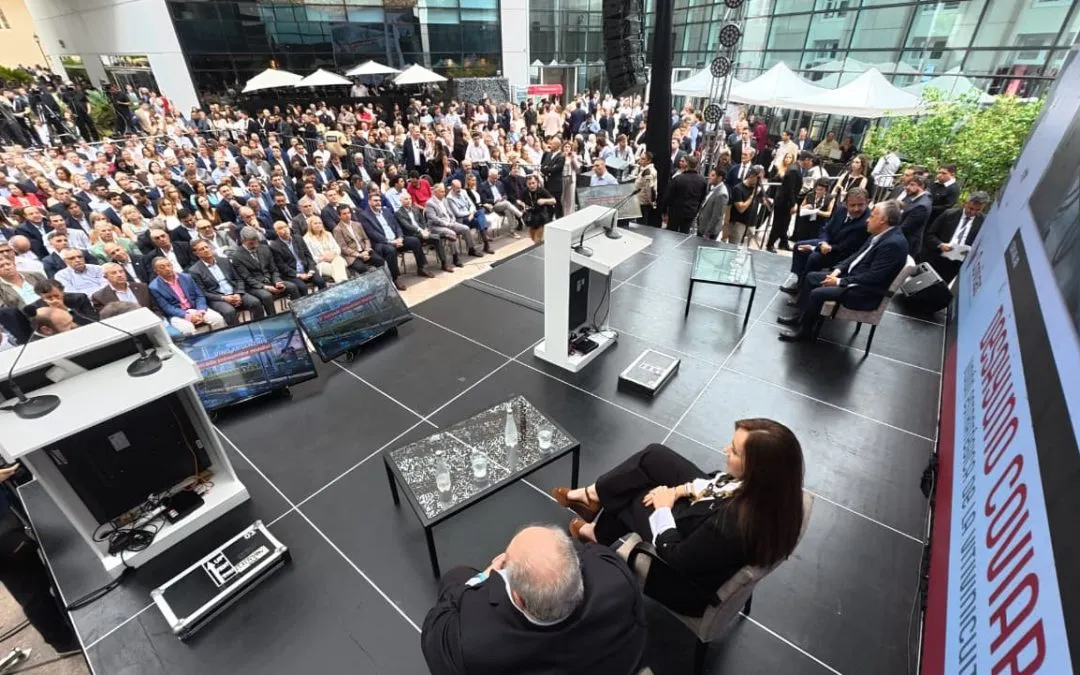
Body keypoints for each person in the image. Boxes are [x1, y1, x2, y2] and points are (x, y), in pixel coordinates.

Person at [552, 418, 804, 617]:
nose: (726, 450)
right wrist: (677, 490)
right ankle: (592, 495)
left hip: (681, 569)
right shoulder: (778, 493)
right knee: (654, 456)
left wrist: (663, 506)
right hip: (705, 513)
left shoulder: (731, 526)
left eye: (735, 452)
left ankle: (597, 529)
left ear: (757, 469)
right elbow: (715, 483)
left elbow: (676, 556)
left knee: (635, 493)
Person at [421, 525, 647, 675]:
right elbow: (591, 551)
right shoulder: (617, 581)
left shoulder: (471, 644)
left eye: (505, 564)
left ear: (519, 598)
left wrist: (483, 577)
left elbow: (435, 627)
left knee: (458, 575)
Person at [777, 201, 908, 342]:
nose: (868, 219)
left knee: (818, 293)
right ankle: (801, 317)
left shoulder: (893, 244)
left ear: (883, 220)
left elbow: (874, 277)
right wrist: (838, 270)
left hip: (864, 290)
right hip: (854, 277)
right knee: (811, 277)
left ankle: (805, 332)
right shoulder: (879, 234)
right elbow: (856, 256)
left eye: (872, 216)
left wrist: (839, 281)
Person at [360, 193, 432, 291]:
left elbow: (397, 226)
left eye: (379, 200)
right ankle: (395, 278)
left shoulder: (386, 211)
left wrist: (400, 237)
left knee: (414, 241)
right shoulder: (365, 216)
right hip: (382, 243)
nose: (378, 202)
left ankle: (421, 268)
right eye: (375, 200)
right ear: (369, 202)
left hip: (397, 239)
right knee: (391, 251)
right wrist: (391, 242)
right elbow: (372, 233)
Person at [187, 239, 267, 323]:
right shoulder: (194, 270)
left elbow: (238, 279)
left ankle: (259, 326)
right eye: (201, 249)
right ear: (196, 254)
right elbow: (203, 292)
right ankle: (239, 333)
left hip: (234, 292)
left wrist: (238, 293)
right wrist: (224, 298)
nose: (206, 250)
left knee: (255, 302)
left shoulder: (224, 261)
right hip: (218, 298)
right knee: (229, 311)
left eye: (206, 247)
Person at [148, 257, 227, 334]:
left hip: (195, 308)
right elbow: (166, 307)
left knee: (217, 319)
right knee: (187, 329)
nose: (168, 268)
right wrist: (187, 316)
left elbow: (199, 295)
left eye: (169, 265)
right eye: (162, 267)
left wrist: (200, 310)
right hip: (178, 313)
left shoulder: (186, 277)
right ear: (156, 271)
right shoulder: (154, 287)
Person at [922, 191, 989, 283]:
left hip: (958, 265)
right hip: (937, 258)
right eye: (970, 208)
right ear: (965, 203)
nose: (972, 212)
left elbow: (983, 245)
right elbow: (930, 234)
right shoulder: (949, 214)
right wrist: (940, 245)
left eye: (977, 210)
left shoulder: (984, 223)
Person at [231, 226, 304, 302]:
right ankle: (272, 314)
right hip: (255, 285)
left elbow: (274, 269)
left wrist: (277, 281)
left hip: (271, 280)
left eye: (256, 240)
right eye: (251, 242)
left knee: (292, 287)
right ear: (243, 240)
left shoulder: (265, 248)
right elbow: (247, 278)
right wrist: (266, 287)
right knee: (267, 296)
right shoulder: (237, 256)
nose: (255, 244)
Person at [395, 193, 453, 273]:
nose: (409, 201)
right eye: (406, 199)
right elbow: (407, 226)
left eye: (410, 199)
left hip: (424, 234)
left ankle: (444, 264)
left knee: (437, 240)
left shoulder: (415, 209)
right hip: (411, 235)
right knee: (432, 237)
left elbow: (423, 221)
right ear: (401, 201)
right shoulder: (399, 213)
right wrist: (421, 231)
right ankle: (443, 235)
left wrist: (425, 229)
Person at [269, 221, 325, 294]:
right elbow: (282, 267)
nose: (284, 229)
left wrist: (311, 269)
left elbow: (308, 256)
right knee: (302, 287)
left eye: (285, 226)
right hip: (292, 274)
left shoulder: (298, 238)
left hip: (307, 270)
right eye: (280, 228)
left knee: (320, 281)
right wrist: (299, 275)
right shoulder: (274, 246)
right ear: (276, 232)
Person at [333, 205, 386, 277]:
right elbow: (343, 248)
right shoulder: (337, 230)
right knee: (362, 268)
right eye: (344, 214)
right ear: (339, 216)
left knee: (379, 260)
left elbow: (366, 239)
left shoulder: (357, 224)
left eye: (348, 213)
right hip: (352, 255)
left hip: (364, 251)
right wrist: (359, 255)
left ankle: (385, 280)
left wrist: (367, 250)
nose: (347, 215)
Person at [765, 151, 802, 252]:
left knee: (785, 223)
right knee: (779, 223)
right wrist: (794, 203)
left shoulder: (793, 169)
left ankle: (783, 243)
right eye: (787, 157)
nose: (788, 159)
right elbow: (790, 189)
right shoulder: (792, 170)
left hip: (785, 201)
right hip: (783, 201)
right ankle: (770, 244)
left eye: (790, 157)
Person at [662, 155, 708, 235]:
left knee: (670, 235)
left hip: (675, 212)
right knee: (684, 234)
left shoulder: (678, 179)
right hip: (690, 212)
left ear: (687, 164)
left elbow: (668, 196)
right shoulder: (702, 181)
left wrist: (664, 211)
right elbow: (702, 198)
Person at [90, 262, 156, 315]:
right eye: (114, 273)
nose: (119, 275)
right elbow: (109, 320)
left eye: (121, 271)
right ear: (105, 277)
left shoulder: (142, 287)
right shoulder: (99, 297)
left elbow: (156, 308)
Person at [447, 180, 493, 254]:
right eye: (457, 188)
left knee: (480, 213)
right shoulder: (450, 198)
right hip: (462, 219)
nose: (459, 190)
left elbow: (472, 204)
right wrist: (470, 214)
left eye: (460, 187)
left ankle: (486, 244)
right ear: (452, 187)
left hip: (470, 215)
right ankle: (486, 243)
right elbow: (457, 213)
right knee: (480, 220)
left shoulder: (463, 192)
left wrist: (471, 213)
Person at [30, 278, 97, 325]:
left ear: (62, 291)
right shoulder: (35, 309)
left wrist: (66, 310)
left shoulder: (79, 298)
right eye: (48, 297)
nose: (54, 300)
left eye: (56, 296)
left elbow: (93, 320)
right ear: (41, 297)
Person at [303, 216, 351, 282]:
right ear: (310, 225)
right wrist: (323, 258)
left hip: (334, 258)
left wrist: (332, 254)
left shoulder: (328, 234)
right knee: (338, 270)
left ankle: (341, 283)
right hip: (321, 263)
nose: (318, 225)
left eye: (320, 223)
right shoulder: (306, 239)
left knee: (339, 260)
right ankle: (343, 282)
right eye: (315, 223)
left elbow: (337, 248)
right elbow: (310, 256)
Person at [725, 165, 763, 245]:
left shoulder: (758, 187)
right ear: (752, 176)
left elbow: (764, 201)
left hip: (751, 223)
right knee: (734, 247)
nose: (760, 181)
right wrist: (752, 196)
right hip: (738, 224)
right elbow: (741, 208)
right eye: (759, 178)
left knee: (746, 249)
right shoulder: (738, 189)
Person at [897, 174, 933, 256]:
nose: (907, 187)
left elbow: (905, 228)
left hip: (907, 244)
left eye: (912, 184)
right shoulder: (914, 198)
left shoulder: (922, 206)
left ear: (922, 186)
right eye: (908, 184)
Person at [791, 177, 834, 243]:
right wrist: (806, 207)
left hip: (819, 224)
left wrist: (818, 212)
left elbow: (829, 213)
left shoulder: (830, 198)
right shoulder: (810, 194)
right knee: (801, 241)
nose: (818, 191)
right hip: (806, 222)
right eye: (817, 189)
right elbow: (801, 207)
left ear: (826, 190)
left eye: (821, 190)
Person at [518, 174, 556, 244]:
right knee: (533, 238)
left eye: (533, 183)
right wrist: (521, 203)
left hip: (542, 218)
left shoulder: (542, 191)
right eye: (529, 184)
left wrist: (544, 201)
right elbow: (519, 200)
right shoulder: (525, 191)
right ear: (526, 184)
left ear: (537, 182)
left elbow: (554, 201)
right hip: (532, 219)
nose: (531, 185)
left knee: (537, 240)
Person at [694, 168, 729, 240]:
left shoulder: (722, 194)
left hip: (708, 232)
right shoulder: (714, 187)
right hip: (703, 227)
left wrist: (707, 232)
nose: (710, 177)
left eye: (713, 175)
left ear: (719, 178)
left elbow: (716, 216)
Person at [633, 151, 657, 227]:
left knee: (642, 225)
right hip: (640, 201)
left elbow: (649, 189)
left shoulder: (648, 172)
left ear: (649, 161)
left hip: (644, 203)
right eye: (640, 158)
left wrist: (651, 203)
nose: (640, 160)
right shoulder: (644, 169)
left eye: (643, 159)